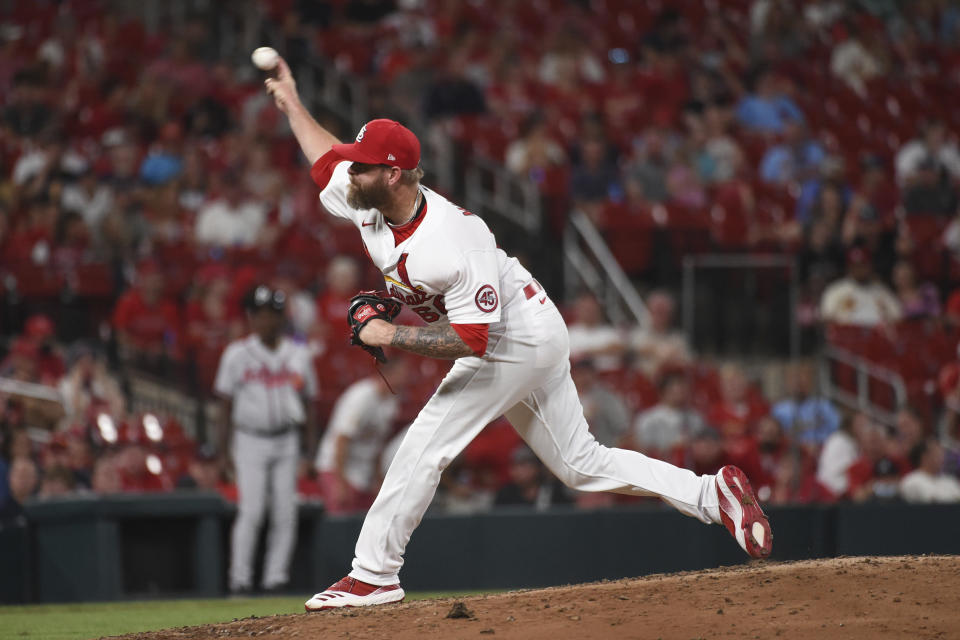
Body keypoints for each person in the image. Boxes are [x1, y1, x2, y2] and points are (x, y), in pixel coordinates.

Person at [261, 56, 772, 612]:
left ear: (394, 174)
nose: (349, 173)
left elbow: (476, 341)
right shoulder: (369, 201)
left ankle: (374, 574)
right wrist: (291, 101)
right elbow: (325, 154)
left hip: (515, 334)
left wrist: (390, 335)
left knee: (425, 445)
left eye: (362, 167)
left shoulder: (455, 238)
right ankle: (710, 493)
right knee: (581, 463)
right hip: (524, 327)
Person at [214, 284, 318, 594]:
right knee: (253, 510)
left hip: (287, 439)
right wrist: (222, 453)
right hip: (249, 439)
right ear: (250, 318)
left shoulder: (298, 354)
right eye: (259, 314)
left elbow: (310, 404)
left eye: (271, 314)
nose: (266, 321)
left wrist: (309, 452)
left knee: (285, 513)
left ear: (281, 318)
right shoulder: (236, 354)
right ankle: (240, 580)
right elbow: (224, 406)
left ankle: (275, 579)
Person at [314, 358, 407, 514]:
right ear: (388, 375)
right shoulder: (361, 396)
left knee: (366, 528)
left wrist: (378, 481)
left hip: (363, 475)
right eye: (401, 375)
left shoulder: (391, 402)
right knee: (342, 528)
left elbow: (378, 446)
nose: (405, 379)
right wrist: (340, 482)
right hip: (337, 468)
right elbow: (341, 440)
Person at [819, 247, 902, 326]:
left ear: (870, 266)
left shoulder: (882, 291)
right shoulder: (836, 290)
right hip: (847, 337)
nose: (860, 269)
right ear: (849, 268)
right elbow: (826, 318)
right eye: (856, 266)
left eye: (863, 265)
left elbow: (898, 317)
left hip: (878, 337)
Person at [899, 438, 960, 503]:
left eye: (941, 453)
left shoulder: (950, 481)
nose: (941, 457)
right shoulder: (912, 481)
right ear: (924, 457)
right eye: (936, 453)